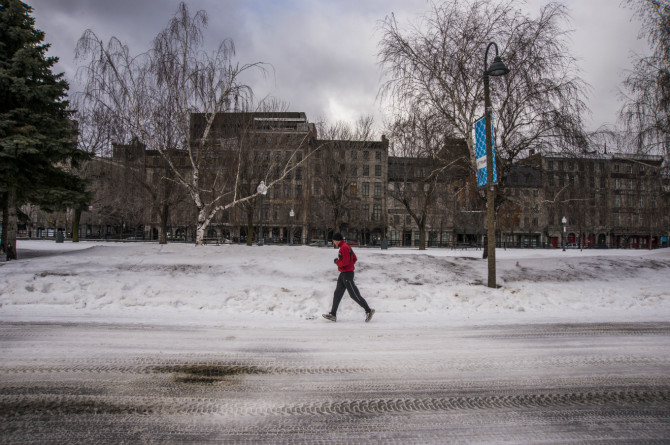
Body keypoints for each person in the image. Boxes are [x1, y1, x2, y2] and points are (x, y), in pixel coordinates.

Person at [322, 233, 375, 323]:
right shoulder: (346, 247)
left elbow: (345, 262)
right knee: (337, 293)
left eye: (334, 241)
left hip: (347, 274)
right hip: (343, 273)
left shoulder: (344, 248)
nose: (333, 242)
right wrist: (348, 265)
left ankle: (368, 311)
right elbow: (354, 258)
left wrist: (337, 262)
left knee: (353, 294)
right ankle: (333, 314)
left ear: (337, 240)